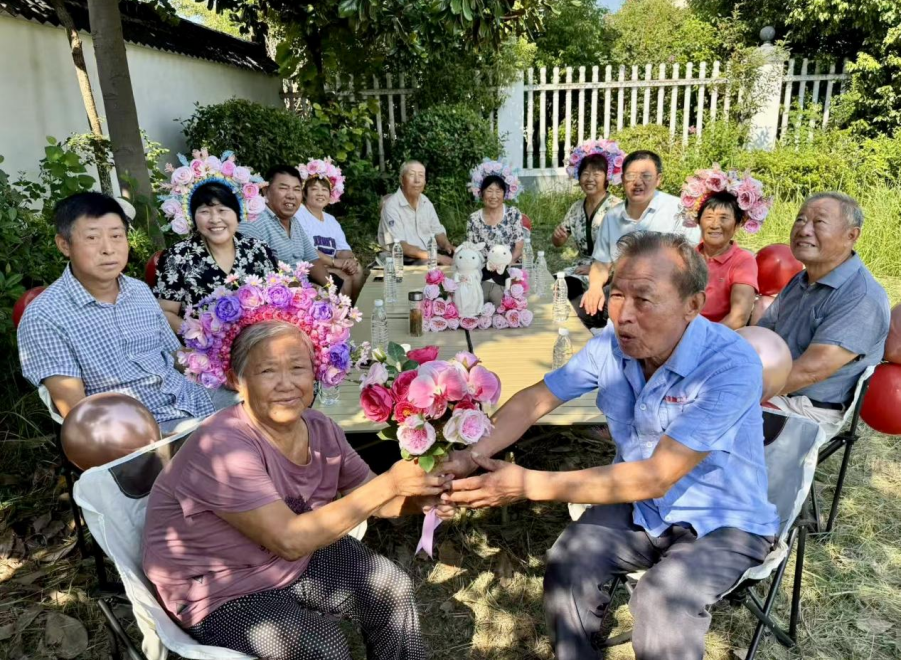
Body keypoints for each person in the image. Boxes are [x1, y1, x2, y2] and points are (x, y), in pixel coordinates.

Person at [442, 231, 779, 660]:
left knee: (662, 599)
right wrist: (470, 455)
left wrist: (527, 484)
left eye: (644, 299)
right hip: (643, 509)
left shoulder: (728, 363)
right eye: (617, 295)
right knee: (568, 560)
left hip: (724, 521)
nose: (623, 315)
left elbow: (656, 476)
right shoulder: (611, 347)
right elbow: (534, 401)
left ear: (692, 305)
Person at [143, 321, 448, 659]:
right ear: (236, 381)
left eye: (298, 368)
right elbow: (289, 540)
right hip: (219, 591)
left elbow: (377, 499)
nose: (286, 384)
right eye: (267, 371)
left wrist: (423, 498)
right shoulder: (222, 447)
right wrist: (391, 482)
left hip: (290, 561)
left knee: (391, 588)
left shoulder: (320, 428)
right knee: (324, 646)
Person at [17, 192, 221, 434]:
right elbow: (79, 413)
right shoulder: (44, 317)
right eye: (92, 238)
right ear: (64, 245)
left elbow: (174, 354)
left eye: (116, 236)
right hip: (141, 431)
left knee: (257, 403)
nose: (108, 249)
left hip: (193, 398)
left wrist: (222, 367)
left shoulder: (139, 291)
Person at [757, 192, 890, 433]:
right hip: (775, 388)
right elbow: (764, 333)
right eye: (800, 219)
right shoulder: (801, 279)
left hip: (805, 409)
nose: (804, 230)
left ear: (851, 235)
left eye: (819, 222)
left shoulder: (862, 297)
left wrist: (739, 389)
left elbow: (810, 371)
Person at [582, 151, 701, 325]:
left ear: (658, 179)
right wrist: (594, 287)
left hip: (666, 294)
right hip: (624, 294)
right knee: (578, 311)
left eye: (646, 176)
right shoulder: (612, 217)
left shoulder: (678, 210)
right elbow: (601, 263)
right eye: (631, 176)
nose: (638, 182)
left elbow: (694, 260)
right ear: (622, 179)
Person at [154, 181, 279, 334]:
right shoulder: (178, 256)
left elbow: (276, 300)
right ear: (193, 217)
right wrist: (201, 337)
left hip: (258, 340)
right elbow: (166, 312)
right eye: (205, 211)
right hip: (203, 345)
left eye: (222, 210)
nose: (214, 219)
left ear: (238, 214)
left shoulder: (259, 249)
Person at [679, 166, 771, 329]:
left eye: (724, 218)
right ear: (698, 221)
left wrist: (701, 338)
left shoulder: (742, 261)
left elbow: (738, 317)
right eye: (708, 217)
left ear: (737, 224)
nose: (715, 225)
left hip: (717, 336)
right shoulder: (687, 256)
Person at [552, 139, 624, 313]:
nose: (590, 179)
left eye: (596, 173)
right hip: (580, 267)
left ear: (607, 177)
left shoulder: (618, 208)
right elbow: (557, 243)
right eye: (585, 173)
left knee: (568, 291)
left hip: (609, 270)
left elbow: (627, 252)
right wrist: (558, 237)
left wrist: (596, 268)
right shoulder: (576, 207)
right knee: (552, 284)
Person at [238, 165, 330, 286]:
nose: (291, 195)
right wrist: (306, 292)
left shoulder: (294, 222)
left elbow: (313, 260)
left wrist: (331, 290)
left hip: (304, 289)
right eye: (283, 188)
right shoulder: (253, 223)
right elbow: (257, 279)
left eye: (296, 189)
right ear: (265, 190)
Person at [295, 158, 366, 302]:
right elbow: (307, 250)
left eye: (324, 189)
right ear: (305, 193)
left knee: (357, 269)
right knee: (344, 277)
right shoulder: (299, 214)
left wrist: (349, 261)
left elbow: (343, 249)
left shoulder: (331, 220)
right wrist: (335, 262)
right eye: (314, 189)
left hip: (331, 264)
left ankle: (355, 308)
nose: (320, 193)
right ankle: (342, 313)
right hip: (310, 267)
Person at [379, 160, 455, 265]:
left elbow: (437, 231)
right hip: (404, 259)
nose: (417, 180)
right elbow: (400, 246)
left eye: (421, 175)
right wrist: (436, 257)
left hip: (430, 255)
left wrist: (447, 245)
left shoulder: (425, 202)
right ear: (402, 180)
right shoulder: (391, 206)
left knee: (464, 259)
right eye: (411, 175)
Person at [465, 159, 524, 262]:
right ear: (481, 193)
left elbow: (519, 247)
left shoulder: (513, 214)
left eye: (498, 191)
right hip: (482, 267)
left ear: (504, 194)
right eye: (489, 191)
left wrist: (506, 266)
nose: (494, 196)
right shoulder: (473, 219)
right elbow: (470, 251)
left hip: (510, 265)